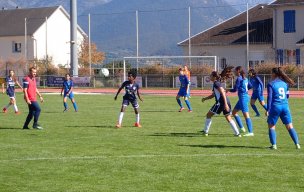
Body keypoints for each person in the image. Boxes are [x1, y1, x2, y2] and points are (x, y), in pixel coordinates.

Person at [267, 67, 300, 150]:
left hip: (275, 106)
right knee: (290, 126)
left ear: (274, 74)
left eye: (271, 73)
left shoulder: (271, 84)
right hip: (285, 106)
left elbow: (269, 98)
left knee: (271, 126)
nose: (271, 75)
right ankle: (297, 144)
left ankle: (274, 145)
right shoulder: (285, 84)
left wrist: (268, 109)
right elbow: (287, 95)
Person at [201, 69, 241, 137]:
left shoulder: (216, 83)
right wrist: (205, 98)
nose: (210, 76)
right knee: (228, 117)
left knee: (208, 115)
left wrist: (225, 104)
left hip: (221, 102)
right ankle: (237, 133)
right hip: (225, 101)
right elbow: (214, 95)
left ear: (214, 77)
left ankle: (205, 131)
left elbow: (222, 92)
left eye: (211, 75)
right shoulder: (216, 83)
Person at [228, 66, 254, 136]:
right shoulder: (245, 78)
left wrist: (227, 90)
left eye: (235, 71)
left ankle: (251, 132)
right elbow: (250, 86)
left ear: (238, 71)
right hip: (244, 97)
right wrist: (244, 89)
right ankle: (242, 128)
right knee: (234, 112)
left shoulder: (239, 79)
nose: (234, 72)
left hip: (243, 98)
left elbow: (234, 90)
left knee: (246, 115)